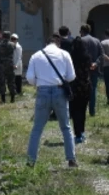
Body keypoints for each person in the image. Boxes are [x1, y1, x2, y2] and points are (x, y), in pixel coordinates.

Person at [25, 34, 76, 167]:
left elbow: (30, 78)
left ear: (46, 43)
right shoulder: (64, 54)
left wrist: (40, 83)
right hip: (59, 91)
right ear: (58, 43)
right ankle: (71, 159)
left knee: (37, 128)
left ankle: (31, 161)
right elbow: (71, 76)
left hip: (43, 91)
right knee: (65, 127)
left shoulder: (36, 56)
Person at [67, 33, 92, 144]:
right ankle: (82, 131)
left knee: (74, 110)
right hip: (85, 86)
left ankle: (77, 133)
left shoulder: (70, 56)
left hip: (74, 86)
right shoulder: (87, 56)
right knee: (83, 110)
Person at [77, 25, 102, 116]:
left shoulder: (81, 40)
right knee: (93, 89)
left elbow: (78, 55)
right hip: (94, 69)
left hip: (82, 70)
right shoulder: (97, 41)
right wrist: (96, 63)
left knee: (81, 90)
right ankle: (92, 111)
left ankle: (82, 110)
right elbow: (101, 54)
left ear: (82, 31)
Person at [0, 32, 17, 103]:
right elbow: (14, 48)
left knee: (2, 81)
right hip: (10, 64)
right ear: (9, 37)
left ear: (3, 36)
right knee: (11, 81)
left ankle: (3, 99)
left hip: (1, 65)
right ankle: (12, 98)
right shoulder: (12, 44)